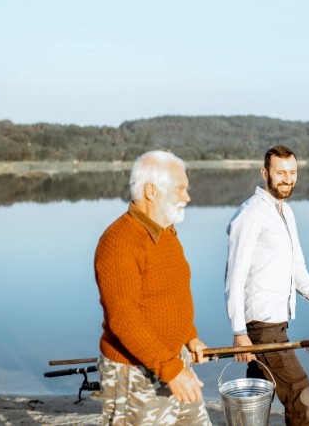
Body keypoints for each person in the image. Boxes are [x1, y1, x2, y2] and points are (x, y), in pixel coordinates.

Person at [224, 145, 309, 425]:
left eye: (292, 172)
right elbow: (234, 278)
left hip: (278, 325)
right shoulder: (250, 215)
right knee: (301, 394)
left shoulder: (286, 213)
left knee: (257, 400)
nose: (287, 179)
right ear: (265, 173)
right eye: (280, 172)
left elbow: (296, 268)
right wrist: (240, 333)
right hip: (261, 328)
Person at [94, 150, 212, 425]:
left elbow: (172, 295)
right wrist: (170, 369)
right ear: (152, 191)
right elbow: (124, 319)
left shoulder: (167, 232)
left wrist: (189, 337)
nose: (188, 197)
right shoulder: (119, 242)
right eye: (181, 189)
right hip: (134, 372)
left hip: (174, 361)